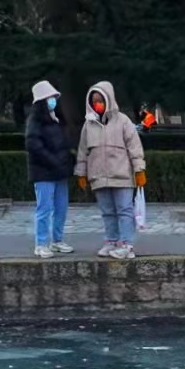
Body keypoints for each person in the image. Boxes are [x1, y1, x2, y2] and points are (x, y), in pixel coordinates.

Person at [75, 80, 147, 260]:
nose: (97, 104)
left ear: (108, 99)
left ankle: (127, 244)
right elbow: (83, 151)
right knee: (107, 211)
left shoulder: (123, 121)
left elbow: (134, 147)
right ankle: (112, 240)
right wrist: (81, 172)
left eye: (100, 100)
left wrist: (139, 169)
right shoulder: (88, 125)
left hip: (121, 175)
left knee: (124, 210)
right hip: (98, 176)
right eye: (94, 101)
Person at [24, 80, 75, 259]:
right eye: (50, 97)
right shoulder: (34, 120)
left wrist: (68, 160)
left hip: (60, 171)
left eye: (54, 97)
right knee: (44, 208)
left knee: (61, 207)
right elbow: (33, 145)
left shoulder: (57, 119)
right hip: (43, 172)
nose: (53, 100)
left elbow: (64, 143)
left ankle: (57, 240)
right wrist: (53, 161)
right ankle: (41, 243)